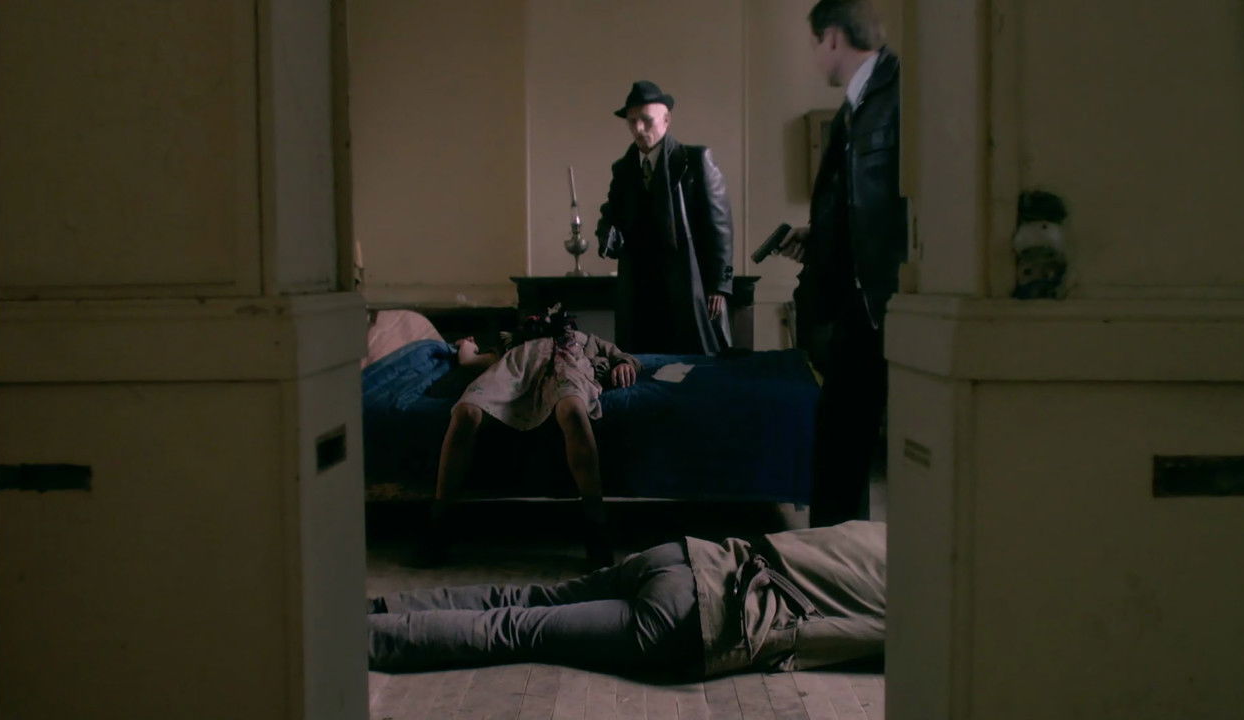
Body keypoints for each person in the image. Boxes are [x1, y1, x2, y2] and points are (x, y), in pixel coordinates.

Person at [369, 520, 886, 677]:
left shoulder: (885, 532)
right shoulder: (917, 614)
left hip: (686, 555)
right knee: (513, 629)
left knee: (523, 595)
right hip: (696, 617)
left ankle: (375, 611)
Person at [776, 0, 905, 526]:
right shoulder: (857, 106)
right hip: (855, 307)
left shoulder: (900, 96)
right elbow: (862, 206)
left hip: (886, 305)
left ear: (831, 37)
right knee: (837, 456)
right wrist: (822, 238)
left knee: (860, 454)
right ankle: (832, 557)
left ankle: (837, 557)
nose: (814, 57)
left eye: (814, 44)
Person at [423, 306, 640, 568]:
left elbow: (624, 356)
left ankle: (596, 524)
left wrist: (624, 365)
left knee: (573, 411)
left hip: (566, 369)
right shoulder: (512, 342)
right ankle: (439, 522)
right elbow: (470, 361)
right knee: (465, 412)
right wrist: (466, 346)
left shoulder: (586, 340)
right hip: (514, 372)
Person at [595, 80, 736, 355]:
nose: (638, 128)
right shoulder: (623, 169)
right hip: (639, 284)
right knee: (641, 358)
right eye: (632, 121)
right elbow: (612, 212)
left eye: (646, 120)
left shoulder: (695, 160)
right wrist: (606, 232)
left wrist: (719, 286)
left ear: (666, 120)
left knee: (693, 360)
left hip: (687, 282)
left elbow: (719, 226)